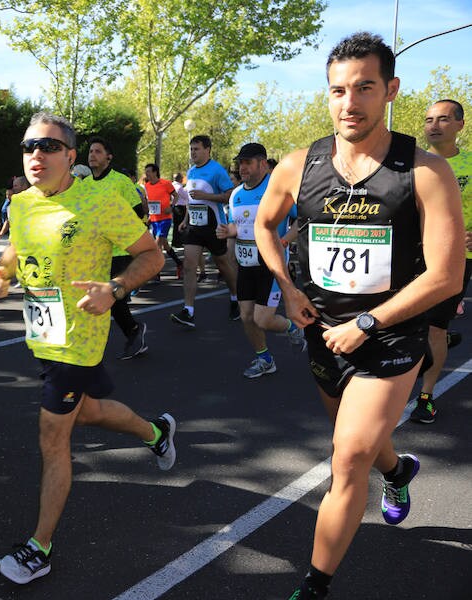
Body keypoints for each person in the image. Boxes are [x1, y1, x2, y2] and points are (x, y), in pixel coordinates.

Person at [254, 32, 464, 599]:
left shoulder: (424, 172)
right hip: (322, 333)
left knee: (346, 458)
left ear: (390, 91)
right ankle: (398, 470)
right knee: (360, 443)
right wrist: (286, 285)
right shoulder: (300, 164)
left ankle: (314, 587)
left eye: (365, 88)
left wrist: (368, 324)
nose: (350, 102)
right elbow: (264, 226)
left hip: (390, 336)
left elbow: (445, 275)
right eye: (338, 90)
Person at [0, 112, 176, 585]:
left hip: (78, 342)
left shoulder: (100, 200)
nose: (37, 155)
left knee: (53, 437)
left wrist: (114, 290)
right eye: (30, 145)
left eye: (49, 147)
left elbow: (151, 254)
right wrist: (3, 274)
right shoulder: (23, 204)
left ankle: (40, 547)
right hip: (43, 335)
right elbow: (16, 250)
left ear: (71, 157)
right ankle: (157, 433)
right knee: (89, 412)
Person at [214, 143, 305, 378]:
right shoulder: (236, 195)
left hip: (271, 264)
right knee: (246, 316)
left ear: (263, 164)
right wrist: (229, 231)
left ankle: (294, 327)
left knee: (262, 319)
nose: (242, 167)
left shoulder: (275, 190)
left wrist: (284, 240)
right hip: (246, 265)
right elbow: (240, 226)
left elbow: (300, 219)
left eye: (247, 162)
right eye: (240, 163)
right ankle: (264, 359)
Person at [413, 99, 471, 423]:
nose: (434, 125)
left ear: (460, 125)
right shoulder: (411, 165)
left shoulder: (471, 165)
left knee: (434, 328)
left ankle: (426, 397)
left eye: (443, 119)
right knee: (412, 325)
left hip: (454, 261)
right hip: (412, 258)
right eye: (429, 119)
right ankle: (440, 342)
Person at [86, 137, 150, 359]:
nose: (92, 154)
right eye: (90, 151)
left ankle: (134, 331)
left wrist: (114, 228)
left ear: (108, 156)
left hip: (120, 250)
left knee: (112, 296)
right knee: (100, 297)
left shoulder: (121, 181)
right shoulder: (84, 185)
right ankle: (132, 331)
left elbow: (137, 212)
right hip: (96, 251)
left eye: (98, 151)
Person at [170, 135, 239, 327]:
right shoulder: (191, 171)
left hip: (215, 226)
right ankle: (188, 311)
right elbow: (193, 200)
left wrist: (207, 195)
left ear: (208, 150)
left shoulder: (217, 170)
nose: (193, 152)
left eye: (197, 149)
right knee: (190, 265)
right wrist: (185, 220)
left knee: (223, 265)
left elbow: (229, 196)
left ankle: (235, 297)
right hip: (194, 226)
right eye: (191, 149)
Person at [143, 163, 183, 279]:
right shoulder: (147, 186)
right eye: (146, 172)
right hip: (154, 219)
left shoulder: (165, 183)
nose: (147, 174)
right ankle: (179, 264)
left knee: (157, 243)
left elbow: (176, 196)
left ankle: (156, 273)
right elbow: (151, 202)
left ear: (155, 172)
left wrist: (171, 207)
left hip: (165, 219)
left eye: (149, 171)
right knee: (165, 245)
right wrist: (149, 217)